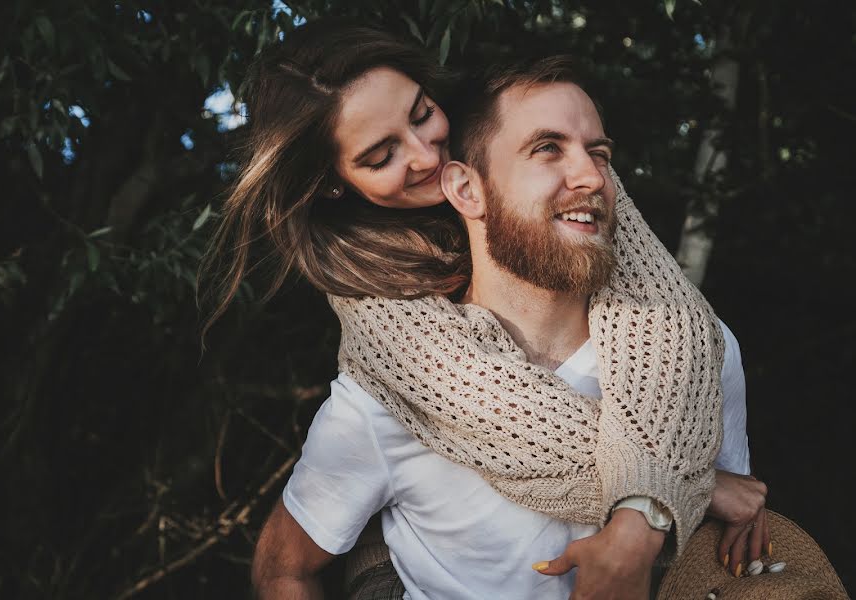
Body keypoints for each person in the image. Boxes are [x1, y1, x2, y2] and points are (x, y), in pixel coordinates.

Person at [199, 20, 769, 599]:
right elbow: (473, 403)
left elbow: (672, 313)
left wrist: (656, 504)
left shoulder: (565, 168)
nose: (425, 153)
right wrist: (680, 484)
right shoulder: (379, 319)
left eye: (421, 114)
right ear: (333, 184)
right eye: (382, 154)